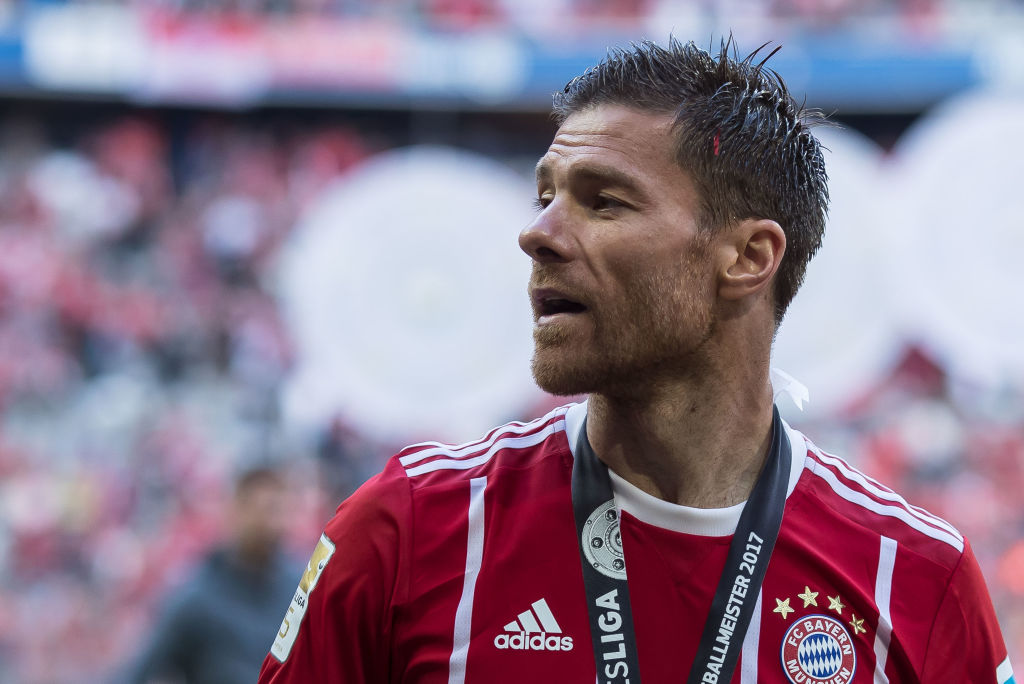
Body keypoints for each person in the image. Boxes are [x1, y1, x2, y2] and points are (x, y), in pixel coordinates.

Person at [257, 38, 1015, 684]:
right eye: (545, 196)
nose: (537, 234)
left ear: (748, 257)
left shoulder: (917, 578)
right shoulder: (410, 528)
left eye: (604, 202)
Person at [122, 467, 298, 684]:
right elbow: (139, 671)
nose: (271, 523)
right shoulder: (197, 598)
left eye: (278, 511)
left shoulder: (298, 591)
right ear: (236, 511)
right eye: (262, 510)